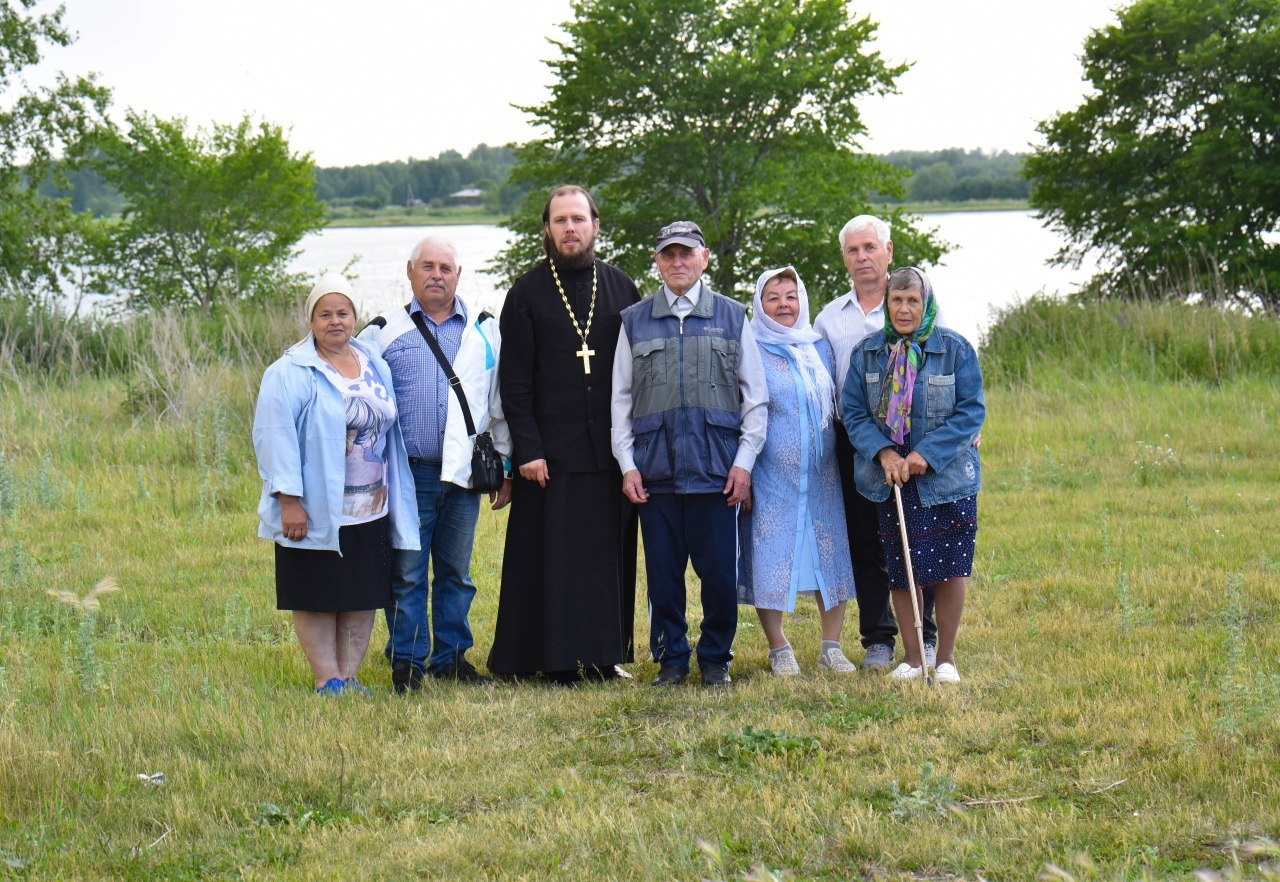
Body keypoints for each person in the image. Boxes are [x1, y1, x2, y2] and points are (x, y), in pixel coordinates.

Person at [488, 185, 641, 684]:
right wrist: (527, 450)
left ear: (596, 225)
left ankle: (602, 656)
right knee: (553, 559)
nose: (570, 229)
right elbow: (514, 382)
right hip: (548, 455)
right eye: (560, 221)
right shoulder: (526, 293)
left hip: (610, 451)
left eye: (578, 219)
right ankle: (553, 659)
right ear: (547, 230)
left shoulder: (622, 287)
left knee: (605, 557)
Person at [611, 220, 768, 688]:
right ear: (657, 262)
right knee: (663, 577)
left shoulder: (732, 315)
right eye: (668, 254)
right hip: (655, 474)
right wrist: (628, 465)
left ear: (704, 259)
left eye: (686, 253)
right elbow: (621, 399)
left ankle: (716, 658)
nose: (677, 262)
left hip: (717, 473)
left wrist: (743, 463)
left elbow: (755, 398)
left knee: (719, 576)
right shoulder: (634, 320)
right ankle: (672, 660)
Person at [252, 272, 419, 694]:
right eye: (324, 314)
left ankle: (349, 675)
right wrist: (289, 500)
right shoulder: (289, 371)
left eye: (342, 312)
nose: (335, 321)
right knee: (317, 593)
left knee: (362, 594)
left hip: (372, 506)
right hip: (316, 506)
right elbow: (275, 437)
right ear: (311, 320)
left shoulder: (372, 362)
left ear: (354, 316)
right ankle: (327, 677)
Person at [358, 236, 511, 691]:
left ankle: (452, 658)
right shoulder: (382, 331)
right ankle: (407, 662)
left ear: (459, 274)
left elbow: (499, 402)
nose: (437, 275)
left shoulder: (485, 329)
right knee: (406, 571)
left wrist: (504, 465)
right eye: (428, 266)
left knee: (456, 573)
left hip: (464, 474)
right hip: (408, 473)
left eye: (445, 267)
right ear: (410, 272)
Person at [841, 267, 984, 683]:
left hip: (945, 475)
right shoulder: (868, 352)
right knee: (902, 565)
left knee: (951, 566)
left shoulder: (955, 349)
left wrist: (927, 453)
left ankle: (946, 660)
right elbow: (853, 412)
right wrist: (883, 452)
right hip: (893, 477)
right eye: (896, 301)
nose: (904, 309)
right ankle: (911, 657)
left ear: (927, 304)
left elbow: (971, 410)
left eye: (913, 301)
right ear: (887, 303)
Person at [814, 214, 938, 672]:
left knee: (917, 540)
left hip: (915, 440)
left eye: (870, 247)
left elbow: (953, 360)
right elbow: (823, 385)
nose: (862, 257)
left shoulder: (919, 302)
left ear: (888, 250)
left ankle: (924, 636)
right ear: (844, 258)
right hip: (857, 439)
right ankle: (878, 638)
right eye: (853, 250)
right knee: (865, 540)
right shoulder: (829, 317)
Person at [738, 266, 857, 676]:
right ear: (760, 304)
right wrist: (746, 471)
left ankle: (831, 646)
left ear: (802, 300)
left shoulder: (819, 347)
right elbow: (745, 413)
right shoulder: (750, 347)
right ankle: (779, 647)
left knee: (830, 552)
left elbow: (843, 403)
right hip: (772, 475)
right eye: (773, 297)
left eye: (791, 296)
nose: (783, 304)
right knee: (771, 555)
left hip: (823, 475)